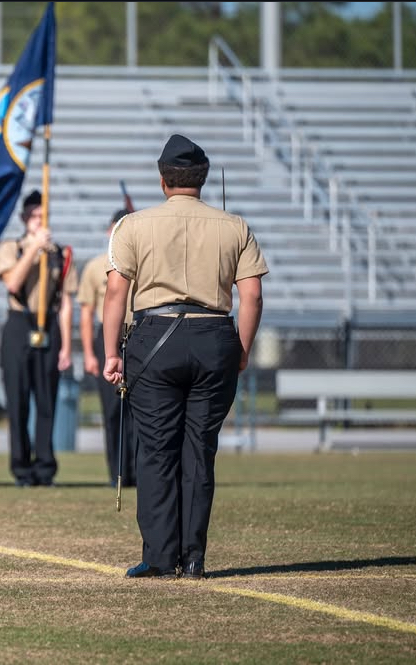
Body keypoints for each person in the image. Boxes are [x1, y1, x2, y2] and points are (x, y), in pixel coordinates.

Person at [102, 134, 267, 580]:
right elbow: (251, 296)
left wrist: (110, 353)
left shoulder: (132, 226)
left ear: (162, 180)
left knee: (156, 451)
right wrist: (242, 351)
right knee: (199, 451)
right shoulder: (235, 226)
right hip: (215, 335)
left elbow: (116, 292)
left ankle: (159, 556)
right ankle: (194, 559)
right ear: (204, 179)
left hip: (154, 337)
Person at [0, 190, 77, 487]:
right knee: (18, 402)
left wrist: (66, 346)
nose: (38, 220)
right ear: (23, 218)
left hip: (48, 325)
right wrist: (33, 249)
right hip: (19, 323)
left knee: (46, 401)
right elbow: (12, 282)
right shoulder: (10, 248)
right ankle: (21, 467)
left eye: (42, 216)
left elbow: (65, 302)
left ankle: (45, 467)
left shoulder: (61, 253)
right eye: (33, 216)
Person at [77, 207, 136, 489]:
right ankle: (117, 472)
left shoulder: (144, 262)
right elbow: (87, 314)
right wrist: (90, 353)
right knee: (113, 410)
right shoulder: (95, 266)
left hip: (140, 334)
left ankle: (139, 471)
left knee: (140, 410)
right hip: (109, 337)